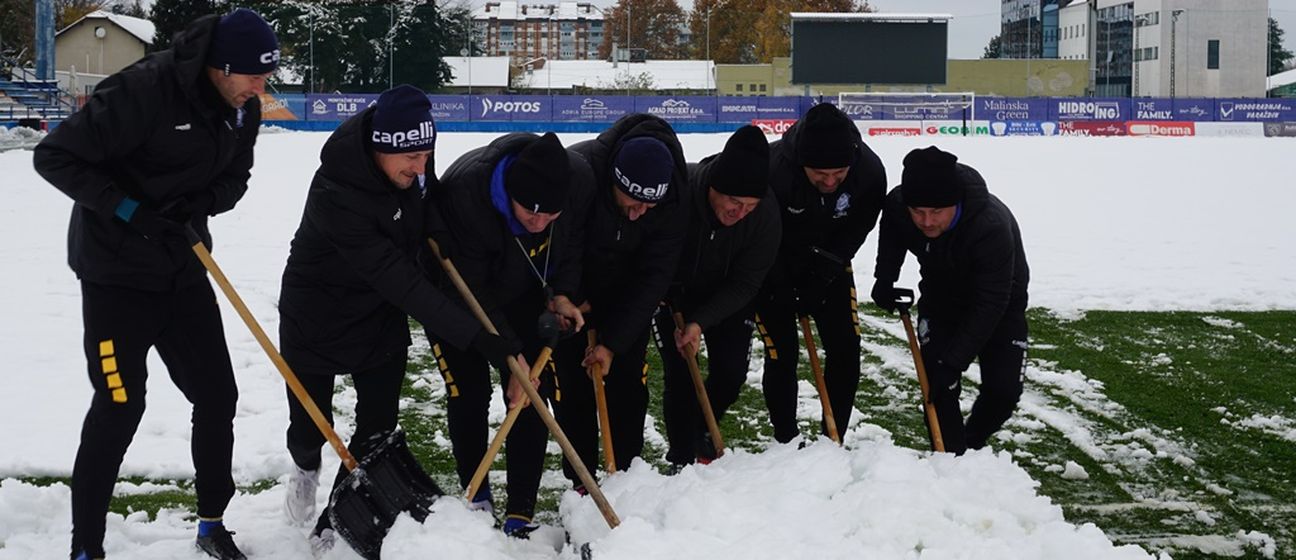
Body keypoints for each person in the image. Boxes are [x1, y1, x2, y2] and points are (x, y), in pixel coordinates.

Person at [32, 8, 278, 560]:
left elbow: (235, 176)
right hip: (115, 276)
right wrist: (130, 211)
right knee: (120, 404)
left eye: (266, 75)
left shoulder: (244, 110)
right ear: (219, 66)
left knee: (217, 396)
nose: (261, 88)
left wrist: (202, 204)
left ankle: (212, 523)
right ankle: (85, 547)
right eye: (253, 75)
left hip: (183, 268)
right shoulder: (142, 91)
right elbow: (55, 157)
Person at [276, 85, 517, 552]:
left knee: (378, 426)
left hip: (378, 314)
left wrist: (439, 231)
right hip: (318, 310)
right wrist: (475, 338)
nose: (419, 165)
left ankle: (335, 517)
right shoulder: (336, 191)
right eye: (409, 157)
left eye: (426, 152)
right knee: (311, 424)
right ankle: (305, 468)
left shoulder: (412, 160)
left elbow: (428, 198)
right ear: (378, 148)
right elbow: (402, 283)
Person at [426, 131, 593, 537]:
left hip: (521, 293)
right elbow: (471, 290)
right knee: (469, 391)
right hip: (456, 298)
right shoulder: (467, 195)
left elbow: (570, 247)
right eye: (529, 213)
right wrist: (508, 353)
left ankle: (521, 511)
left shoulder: (577, 183)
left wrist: (564, 295)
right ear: (511, 192)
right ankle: (478, 495)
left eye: (547, 217)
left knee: (530, 392)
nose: (538, 224)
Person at [555, 113, 688, 485]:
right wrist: (573, 297)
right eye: (631, 203)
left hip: (626, 298)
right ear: (614, 178)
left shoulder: (675, 199)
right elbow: (565, 247)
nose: (638, 214)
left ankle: (626, 475)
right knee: (574, 387)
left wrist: (612, 344)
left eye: (648, 208)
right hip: (574, 299)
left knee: (628, 385)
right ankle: (579, 481)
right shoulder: (581, 174)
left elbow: (654, 278)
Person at [871, 146, 1030, 455]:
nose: (926, 222)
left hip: (1000, 302)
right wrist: (885, 279)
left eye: (936, 213)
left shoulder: (990, 226)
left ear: (955, 204)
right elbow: (892, 231)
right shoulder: (898, 205)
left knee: (1003, 393)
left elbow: (991, 303)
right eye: (918, 212)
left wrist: (954, 362)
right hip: (940, 298)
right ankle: (949, 459)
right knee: (939, 389)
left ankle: (971, 443)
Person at [756, 102, 887, 444]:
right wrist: (780, 282)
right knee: (781, 353)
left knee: (846, 347)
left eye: (837, 175)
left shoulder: (869, 172)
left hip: (830, 262)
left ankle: (833, 437)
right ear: (802, 163)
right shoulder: (773, 171)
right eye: (820, 175)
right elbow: (759, 236)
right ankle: (786, 438)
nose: (829, 182)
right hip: (774, 264)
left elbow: (857, 229)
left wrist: (821, 276)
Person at [653, 125, 780, 469]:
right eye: (734, 202)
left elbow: (746, 282)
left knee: (731, 371)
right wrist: (668, 297)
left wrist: (700, 322)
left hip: (727, 295)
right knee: (679, 372)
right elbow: (651, 251)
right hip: (672, 295)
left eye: (750, 205)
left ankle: (698, 430)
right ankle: (681, 455)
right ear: (714, 188)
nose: (740, 213)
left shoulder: (765, 216)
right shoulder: (679, 194)